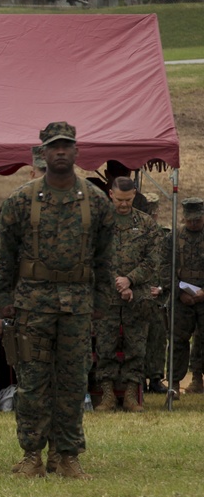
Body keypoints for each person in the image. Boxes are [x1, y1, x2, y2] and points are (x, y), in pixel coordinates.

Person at [0, 121, 114, 480]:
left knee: (73, 382)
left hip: (77, 306)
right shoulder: (20, 201)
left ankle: (67, 454)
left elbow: (105, 260)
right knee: (32, 383)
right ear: (42, 153)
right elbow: (2, 258)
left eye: (66, 146)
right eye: (54, 147)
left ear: (76, 152)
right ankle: (32, 455)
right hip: (32, 306)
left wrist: (101, 304)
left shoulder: (96, 201)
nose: (60, 152)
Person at [92, 176, 159, 412]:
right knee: (105, 346)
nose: (123, 204)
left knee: (136, 346)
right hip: (106, 296)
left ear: (135, 195)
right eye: (119, 199)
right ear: (111, 194)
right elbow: (92, 257)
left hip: (137, 296)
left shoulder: (146, 223)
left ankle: (131, 394)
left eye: (128, 200)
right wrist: (116, 282)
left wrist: (130, 280)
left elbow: (153, 260)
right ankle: (108, 394)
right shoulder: (99, 223)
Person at [165, 197, 204, 399]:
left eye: (197, 220)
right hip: (182, 297)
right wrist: (179, 293)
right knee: (178, 340)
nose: (194, 224)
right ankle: (174, 383)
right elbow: (166, 267)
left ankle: (198, 378)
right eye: (190, 220)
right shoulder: (175, 236)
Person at [141, 192, 168, 394]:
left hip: (158, 295)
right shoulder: (136, 232)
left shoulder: (165, 236)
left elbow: (168, 266)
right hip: (139, 292)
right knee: (139, 337)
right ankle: (138, 377)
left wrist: (161, 288)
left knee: (158, 338)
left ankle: (156, 377)